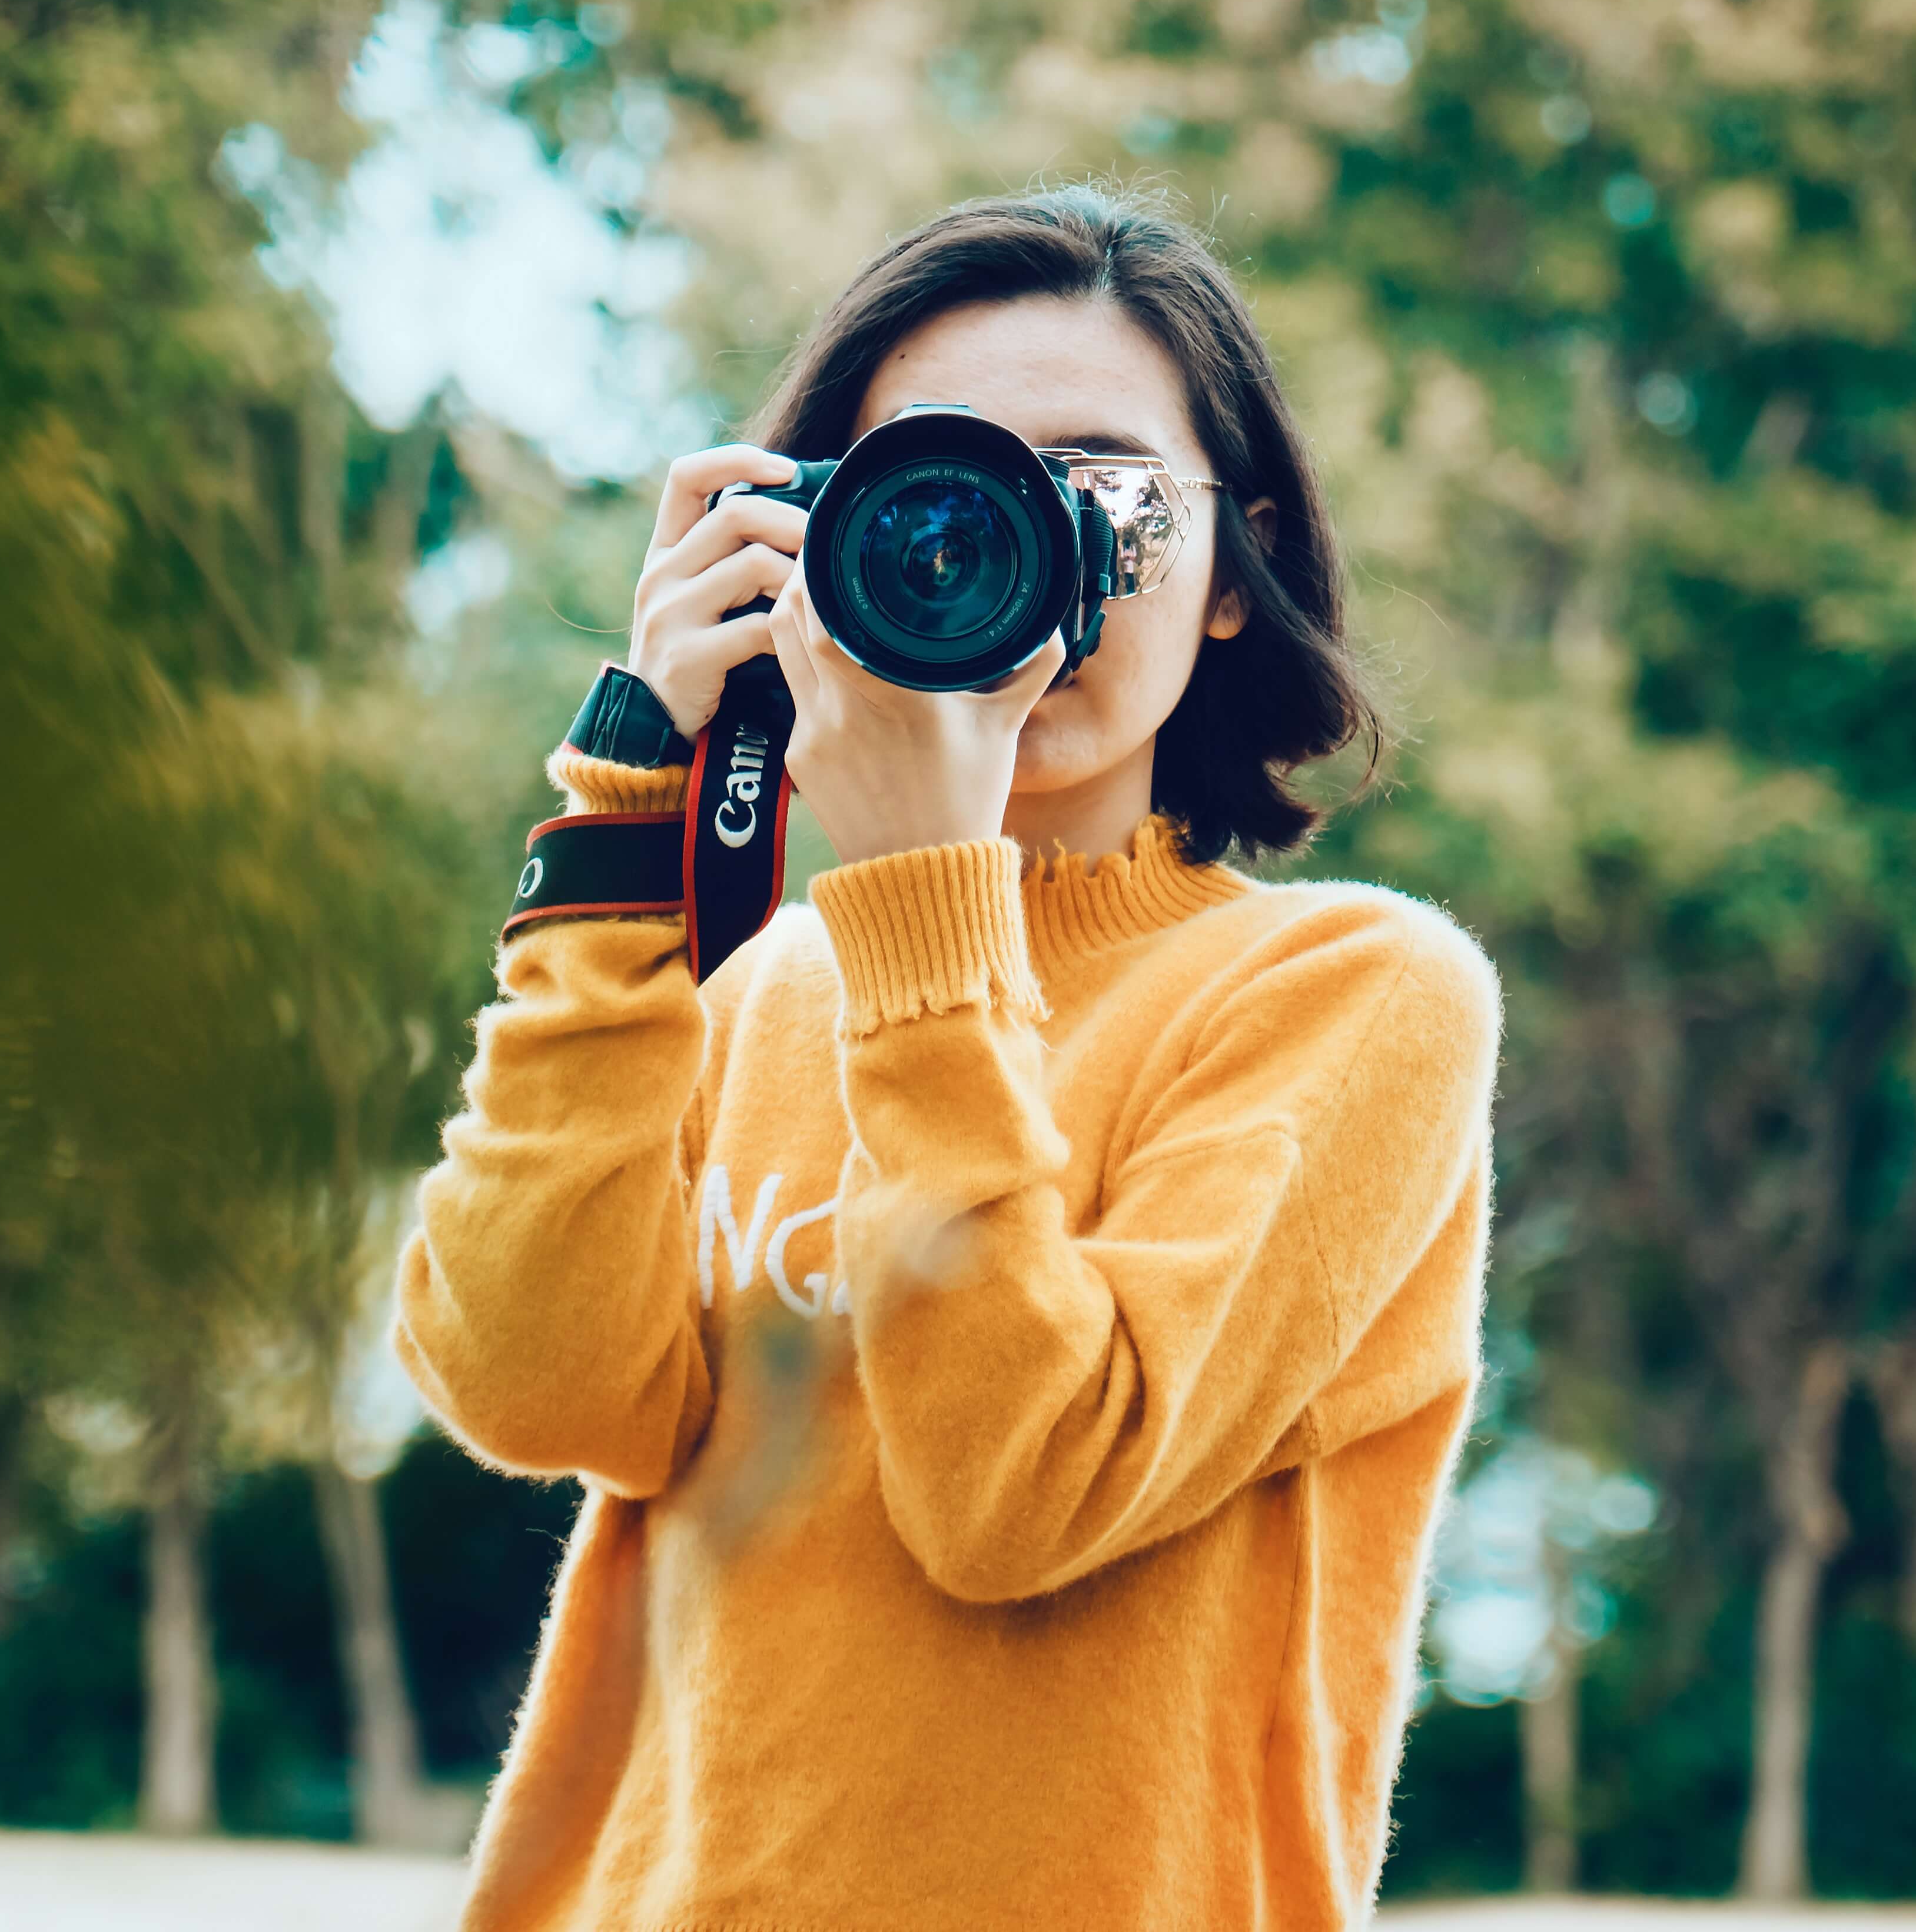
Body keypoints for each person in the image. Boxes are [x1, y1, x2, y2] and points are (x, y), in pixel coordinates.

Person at [396, 187, 1500, 1930]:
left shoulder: (1353, 998)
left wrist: (924, 906)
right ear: (808, 541)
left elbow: (1020, 1493)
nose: (1007, 548)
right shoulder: (758, 986)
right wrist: (628, 802)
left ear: (1236, 571)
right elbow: (531, 1388)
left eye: (1100, 491)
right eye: (928, 490)